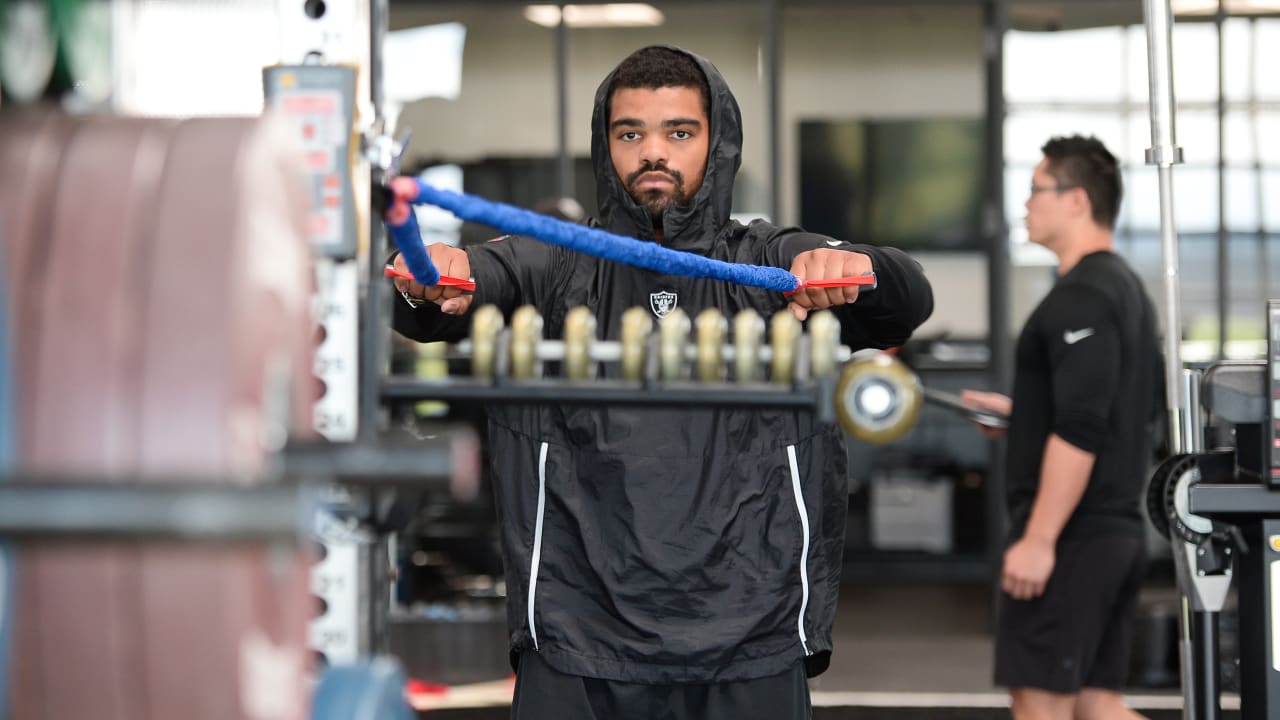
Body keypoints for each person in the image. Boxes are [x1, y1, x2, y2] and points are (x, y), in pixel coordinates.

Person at [390, 45, 933, 719]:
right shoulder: (555, 264)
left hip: (751, 635)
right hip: (576, 637)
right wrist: (431, 274)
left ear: (717, 143)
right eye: (630, 134)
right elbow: (452, 292)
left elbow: (906, 299)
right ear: (605, 145)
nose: (654, 153)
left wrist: (852, 267)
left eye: (679, 132)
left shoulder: (766, 260)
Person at [962, 135, 1160, 720]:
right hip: (1112, 535)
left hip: (1075, 538)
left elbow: (1082, 425)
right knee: (1097, 704)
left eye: (1036, 191)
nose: (1025, 205)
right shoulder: (1124, 290)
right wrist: (1026, 420)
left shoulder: (1083, 297)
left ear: (1076, 200)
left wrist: (1041, 539)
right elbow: (1115, 409)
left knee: (1041, 704)